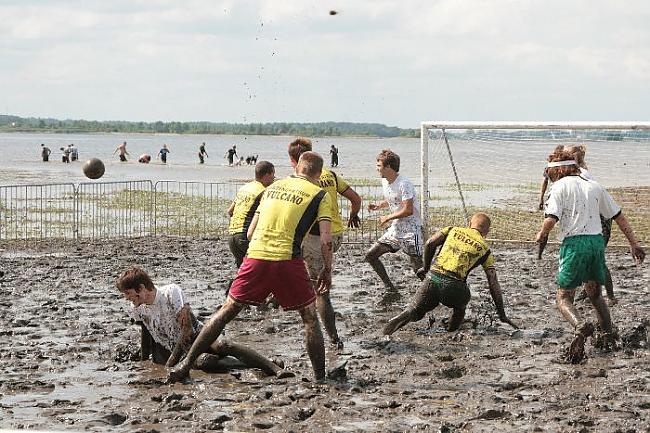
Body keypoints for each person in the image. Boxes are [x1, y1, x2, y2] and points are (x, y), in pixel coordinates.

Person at [168, 151, 333, 382]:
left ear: (298, 168)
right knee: (309, 317)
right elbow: (326, 239)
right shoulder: (320, 194)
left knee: (226, 312)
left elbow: (250, 232)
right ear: (318, 173)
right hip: (287, 259)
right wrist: (327, 269)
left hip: (255, 256)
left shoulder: (271, 189)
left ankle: (184, 365)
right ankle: (320, 378)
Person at [535, 146, 645, 364]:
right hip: (596, 243)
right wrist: (634, 244)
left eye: (550, 172)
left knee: (564, 297)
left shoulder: (559, 188)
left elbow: (552, 218)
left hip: (574, 244)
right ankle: (608, 335)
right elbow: (618, 216)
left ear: (559, 170)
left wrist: (541, 233)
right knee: (595, 295)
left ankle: (580, 325)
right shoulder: (594, 185)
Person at [117, 266, 291, 377]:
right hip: (182, 351)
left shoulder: (170, 293)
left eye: (128, 293)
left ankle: (272, 366)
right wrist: (144, 361)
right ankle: (250, 367)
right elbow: (146, 334)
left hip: (199, 337)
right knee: (205, 362)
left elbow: (187, 331)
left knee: (223, 345)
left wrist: (172, 362)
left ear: (141, 288)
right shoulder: (138, 309)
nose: (127, 298)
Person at [383, 213, 518, 336]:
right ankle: (451, 331)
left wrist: (426, 267)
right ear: (486, 232)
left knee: (415, 311)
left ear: (469, 224)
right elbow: (493, 282)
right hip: (455, 287)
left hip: (433, 278)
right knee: (460, 307)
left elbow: (430, 243)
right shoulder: (485, 249)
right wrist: (502, 314)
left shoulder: (452, 230)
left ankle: (401, 320)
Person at [288, 137, 361, 349]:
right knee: (306, 274)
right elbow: (356, 199)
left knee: (320, 290)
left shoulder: (296, 180)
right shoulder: (330, 175)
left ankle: (333, 338)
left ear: (295, 161)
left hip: (319, 237)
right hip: (337, 233)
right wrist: (353, 216)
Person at [538, 145, 617, 304]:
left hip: (596, 219)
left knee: (593, 259)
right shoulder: (564, 173)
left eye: (568, 153)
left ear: (575, 158)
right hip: (588, 221)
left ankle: (607, 295)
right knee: (590, 258)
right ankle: (593, 294)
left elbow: (598, 201)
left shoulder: (582, 175)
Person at [365, 149, 424, 306]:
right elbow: (392, 200)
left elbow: (408, 209)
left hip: (412, 228)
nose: (377, 168)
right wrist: (378, 206)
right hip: (396, 228)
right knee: (370, 255)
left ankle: (436, 293)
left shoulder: (404, 183)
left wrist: (387, 217)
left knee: (418, 269)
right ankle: (391, 291)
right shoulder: (385, 181)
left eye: (379, 165)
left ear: (388, 167)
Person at [227, 161, 276, 268]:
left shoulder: (244, 188)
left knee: (243, 271)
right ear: (267, 175)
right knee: (264, 267)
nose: (274, 178)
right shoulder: (264, 191)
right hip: (246, 237)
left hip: (232, 238)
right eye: (273, 174)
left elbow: (230, 211)